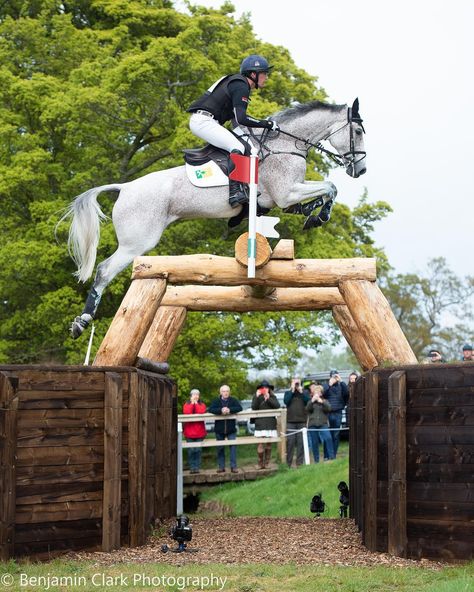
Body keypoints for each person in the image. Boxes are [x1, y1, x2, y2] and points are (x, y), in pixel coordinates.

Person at [187, 54, 279, 208]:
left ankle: (245, 189)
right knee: (237, 148)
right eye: (264, 73)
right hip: (204, 121)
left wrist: (250, 142)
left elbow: (236, 122)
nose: (266, 77)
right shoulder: (241, 85)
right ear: (253, 74)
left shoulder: (238, 84)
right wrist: (267, 124)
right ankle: (235, 192)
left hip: (207, 121)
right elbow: (242, 118)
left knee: (247, 147)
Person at [208, 384, 243, 473]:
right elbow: (211, 409)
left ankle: (233, 467)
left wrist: (229, 410)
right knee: (220, 448)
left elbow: (239, 408)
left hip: (231, 428)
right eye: (224, 391)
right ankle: (221, 467)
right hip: (219, 429)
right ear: (220, 392)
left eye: (227, 391)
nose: (225, 393)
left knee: (233, 448)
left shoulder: (233, 400)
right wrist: (221, 410)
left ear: (229, 392)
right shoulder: (216, 401)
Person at [251, 379, 280, 469]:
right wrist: (256, 396)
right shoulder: (257, 396)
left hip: (270, 423)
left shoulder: (272, 396)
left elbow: (277, 406)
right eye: (263, 388)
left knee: (268, 444)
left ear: (269, 389)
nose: (264, 389)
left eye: (266, 387)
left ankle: (267, 463)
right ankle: (260, 463)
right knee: (260, 444)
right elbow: (254, 407)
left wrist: (268, 398)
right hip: (260, 423)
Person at [284, 377, 310, 468]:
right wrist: (292, 390)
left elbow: (308, 401)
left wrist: (301, 391)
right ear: (291, 383)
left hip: (302, 421)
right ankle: (288, 464)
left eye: (297, 382)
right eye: (294, 382)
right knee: (290, 443)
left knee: (301, 443)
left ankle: (299, 463)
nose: (296, 384)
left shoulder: (304, 393)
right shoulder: (288, 393)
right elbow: (286, 401)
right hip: (290, 421)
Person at [305, 383, 335, 463]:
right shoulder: (310, 401)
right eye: (315, 392)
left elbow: (328, 409)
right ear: (313, 393)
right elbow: (307, 409)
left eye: (318, 392)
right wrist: (312, 401)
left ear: (321, 393)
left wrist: (321, 402)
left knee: (328, 438)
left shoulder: (325, 401)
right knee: (314, 443)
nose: (317, 394)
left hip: (323, 424)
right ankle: (316, 460)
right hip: (312, 425)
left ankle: (332, 457)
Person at [323, 370, 349, 458]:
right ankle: (327, 455)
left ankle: (333, 455)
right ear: (330, 377)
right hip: (328, 413)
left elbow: (346, 393)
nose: (334, 378)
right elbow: (323, 395)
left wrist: (341, 381)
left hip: (338, 413)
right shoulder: (326, 386)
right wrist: (329, 384)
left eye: (336, 376)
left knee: (336, 435)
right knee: (328, 435)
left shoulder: (341, 386)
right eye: (333, 376)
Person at [182, 389, 207, 474]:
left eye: (197, 394)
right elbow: (187, 412)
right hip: (189, 433)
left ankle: (197, 468)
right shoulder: (186, 404)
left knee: (198, 450)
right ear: (190, 396)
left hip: (199, 432)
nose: (196, 396)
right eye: (194, 394)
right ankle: (192, 468)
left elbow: (201, 412)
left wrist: (196, 404)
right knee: (191, 450)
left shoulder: (202, 404)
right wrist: (192, 403)